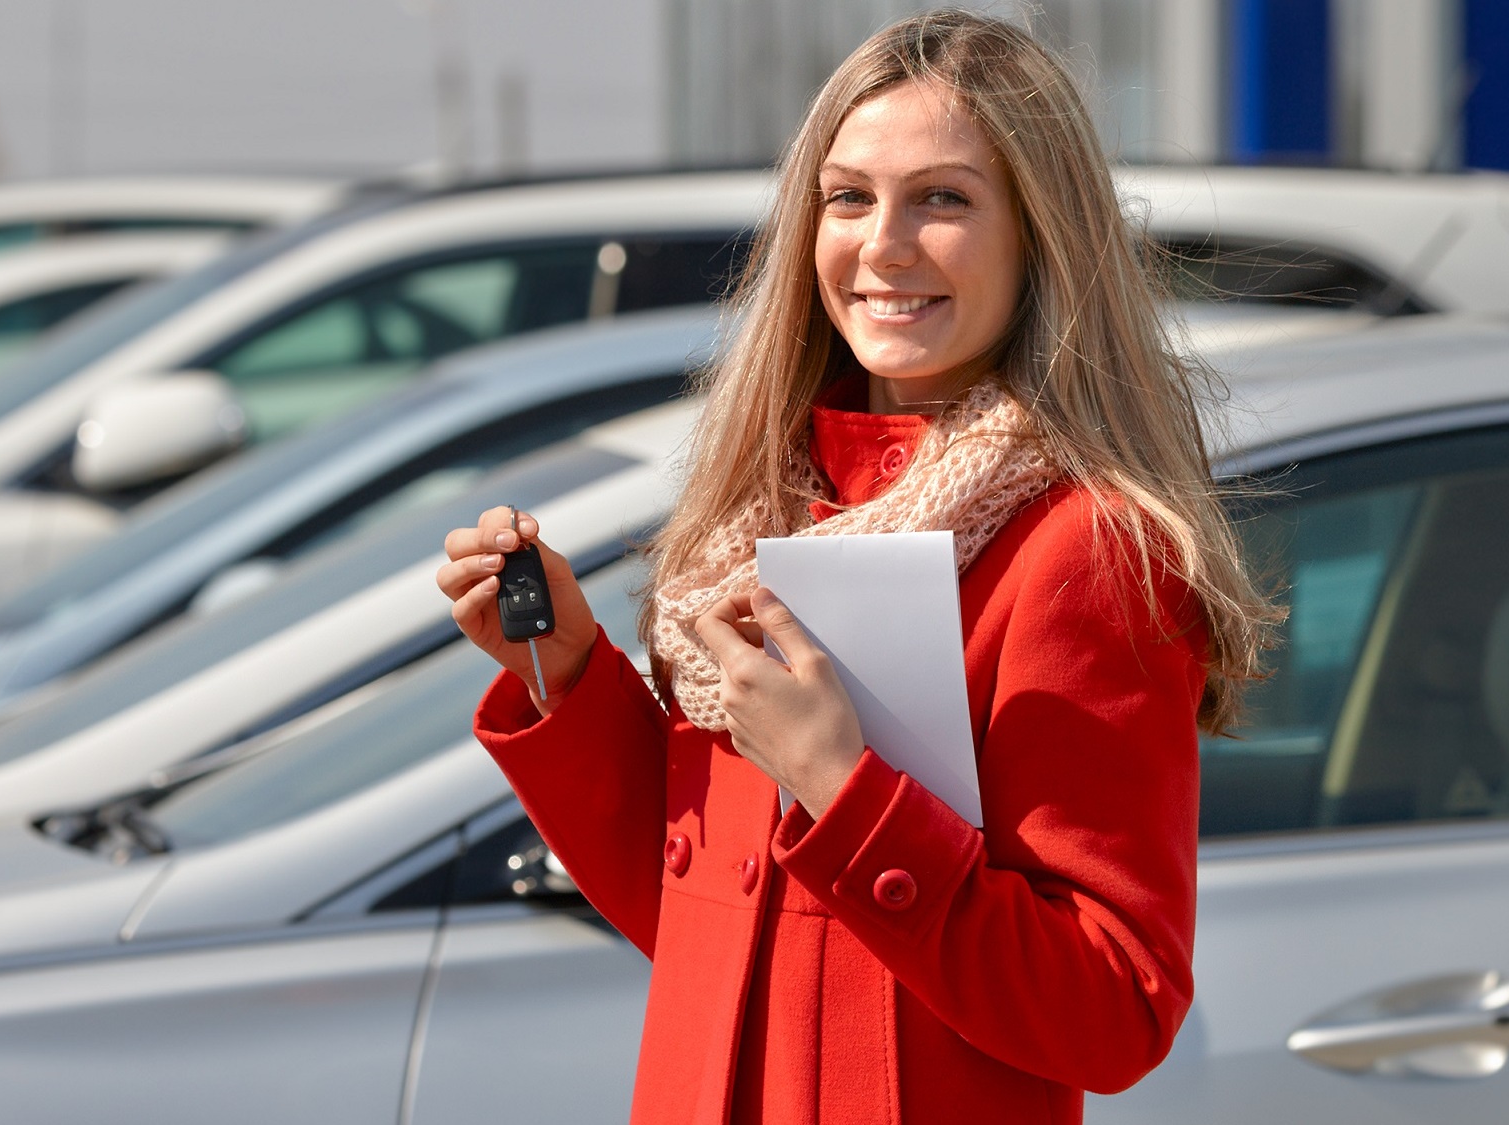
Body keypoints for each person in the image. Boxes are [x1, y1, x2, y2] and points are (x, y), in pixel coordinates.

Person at [435, 10, 1274, 1124]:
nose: (884, 243)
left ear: (1040, 233)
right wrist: (572, 673)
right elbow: (702, 921)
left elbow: (1118, 1008)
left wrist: (843, 787)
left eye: (944, 199)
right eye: (849, 197)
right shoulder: (762, 514)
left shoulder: (1084, 546)